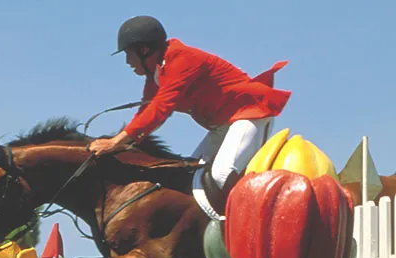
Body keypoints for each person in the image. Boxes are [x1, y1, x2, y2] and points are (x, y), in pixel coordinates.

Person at [88, 15, 292, 217]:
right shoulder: (158, 71)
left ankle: (251, 225)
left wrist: (116, 142)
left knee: (222, 174)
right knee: (191, 175)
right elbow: (146, 109)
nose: (127, 62)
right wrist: (124, 143)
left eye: (128, 54)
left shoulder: (181, 59)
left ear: (144, 50)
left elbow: (160, 109)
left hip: (249, 115)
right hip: (223, 126)